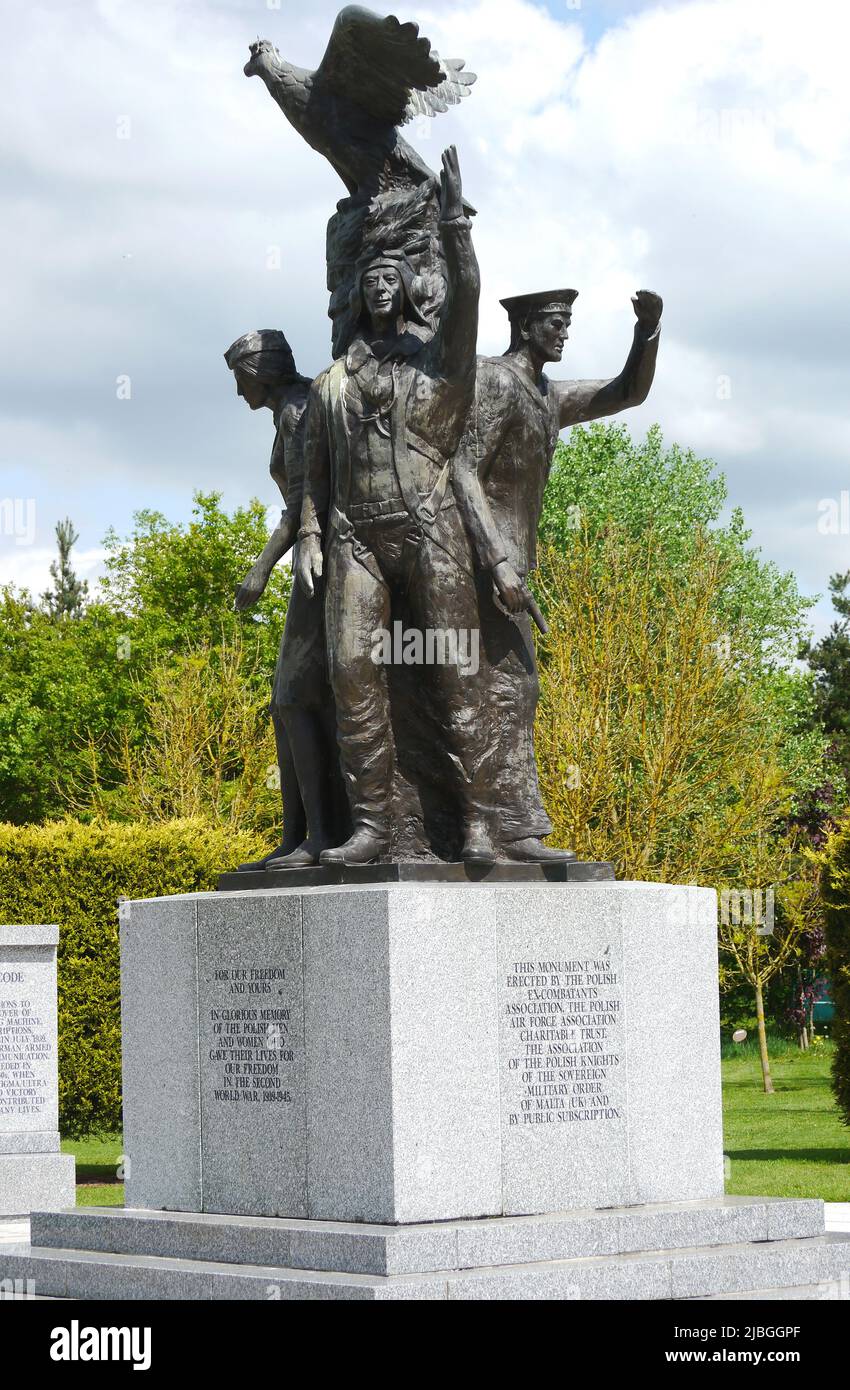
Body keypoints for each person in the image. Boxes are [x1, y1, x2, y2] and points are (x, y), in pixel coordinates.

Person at [296, 146, 492, 865]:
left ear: (407, 286)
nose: (378, 287)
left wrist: (456, 227)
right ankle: (373, 825)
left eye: (390, 278)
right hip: (354, 539)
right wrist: (312, 532)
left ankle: (475, 821)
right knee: (352, 673)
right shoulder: (330, 383)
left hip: (429, 531)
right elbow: (313, 470)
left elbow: (466, 302)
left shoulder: (439, 364)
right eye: (368, 279)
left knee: (456, 672)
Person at [452, 287, 663, 861]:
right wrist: (496, 561)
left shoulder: (547, 393)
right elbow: (464, 471)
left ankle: (501, 828)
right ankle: (506, 831)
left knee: (513, 692)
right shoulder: (494, 381)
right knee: (505, 691)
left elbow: (626, 393)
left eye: (568, 322)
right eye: (555, 322)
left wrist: (647, 332)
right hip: (478, 565)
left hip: (512, 570)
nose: (564, 331)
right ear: (525, 327)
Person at [224, 329, 347, 869]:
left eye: (239, 378)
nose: (238, 392)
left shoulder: (298, 410)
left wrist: (259, 570)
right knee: (290, 702)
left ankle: (317, 835)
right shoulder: (287, 412)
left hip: (320, 562)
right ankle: (299, 834)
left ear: (261, 371)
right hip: (311, 560)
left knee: (296, 698)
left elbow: (301, 504)